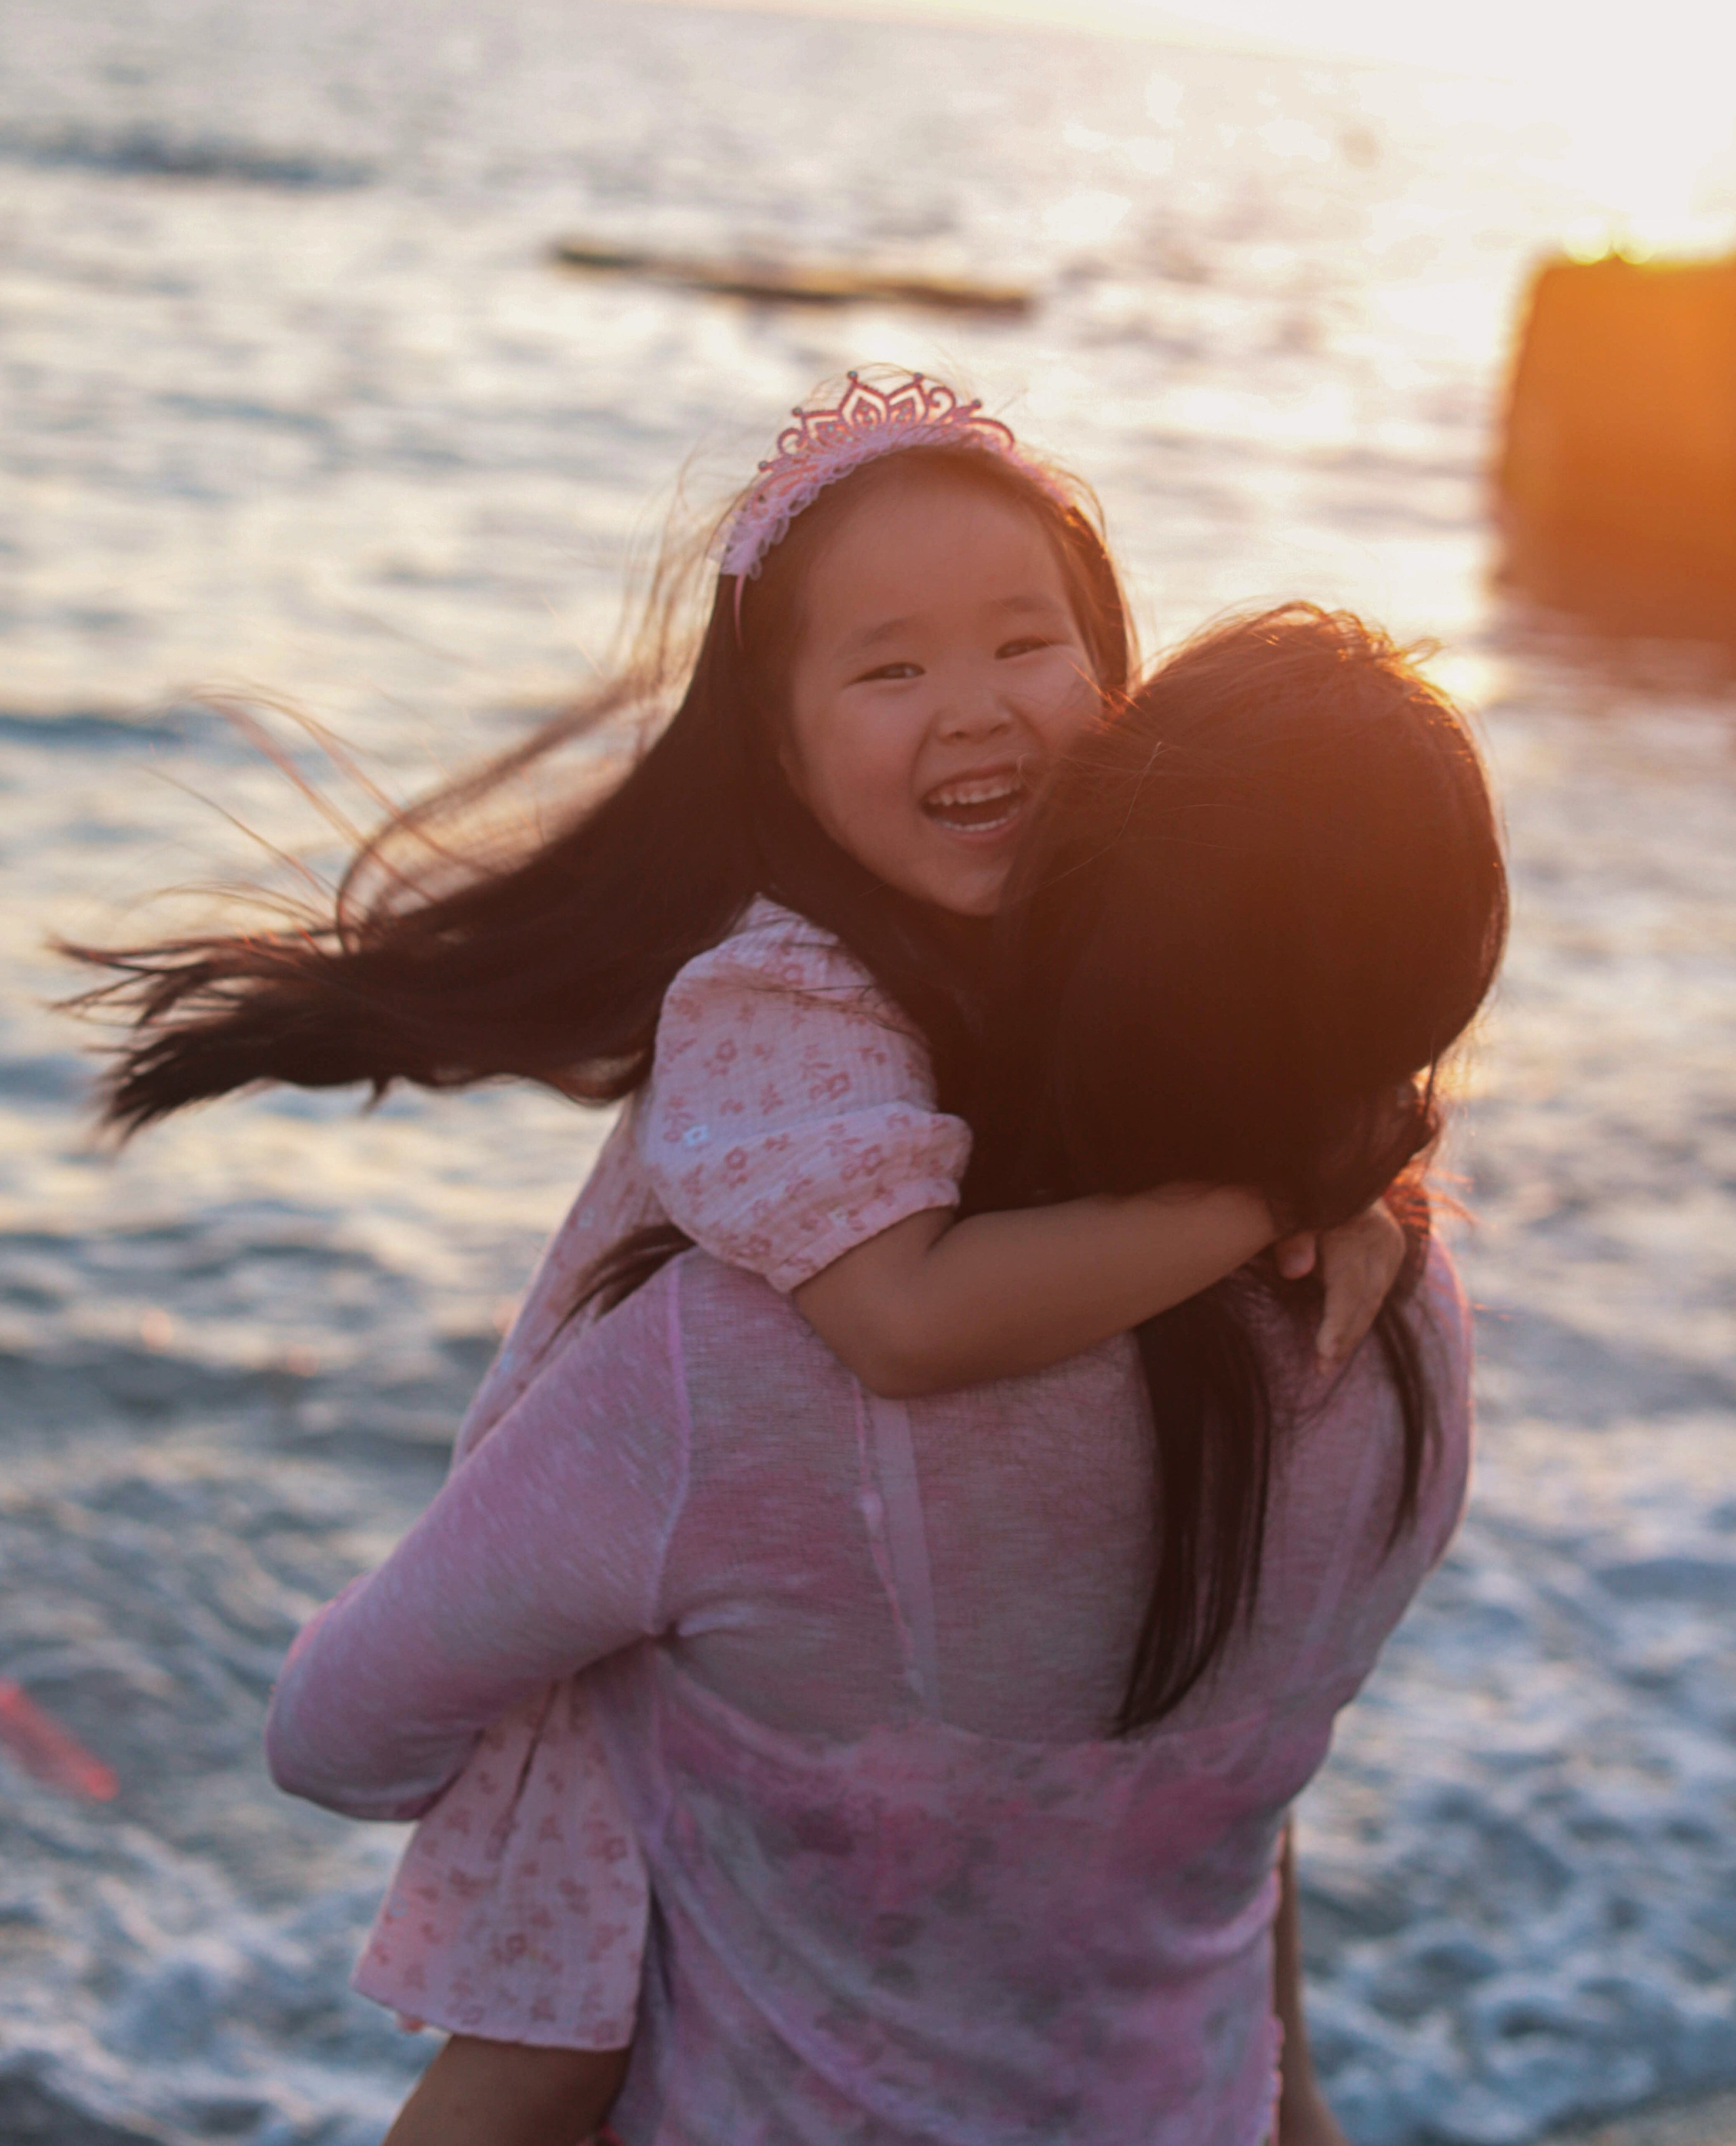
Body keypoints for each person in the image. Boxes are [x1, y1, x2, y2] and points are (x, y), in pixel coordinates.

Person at [71, 370, 1406, 2137]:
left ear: (1114, 680)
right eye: (888, 667)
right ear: (778, 747)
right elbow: (907, 1325)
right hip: (633, 1644)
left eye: (1026, 643)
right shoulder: (781, 994)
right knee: (543, 2055)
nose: (974, 709)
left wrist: (1358, 1164)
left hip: (831, 1736)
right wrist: (1262, 1195)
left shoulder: (1127, 988)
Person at [264, 602, 1505, 2146]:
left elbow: (335, 1735)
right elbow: (1224, 1790)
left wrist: (613, 1727)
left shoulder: (741, 1369)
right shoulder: (1409, 1332)